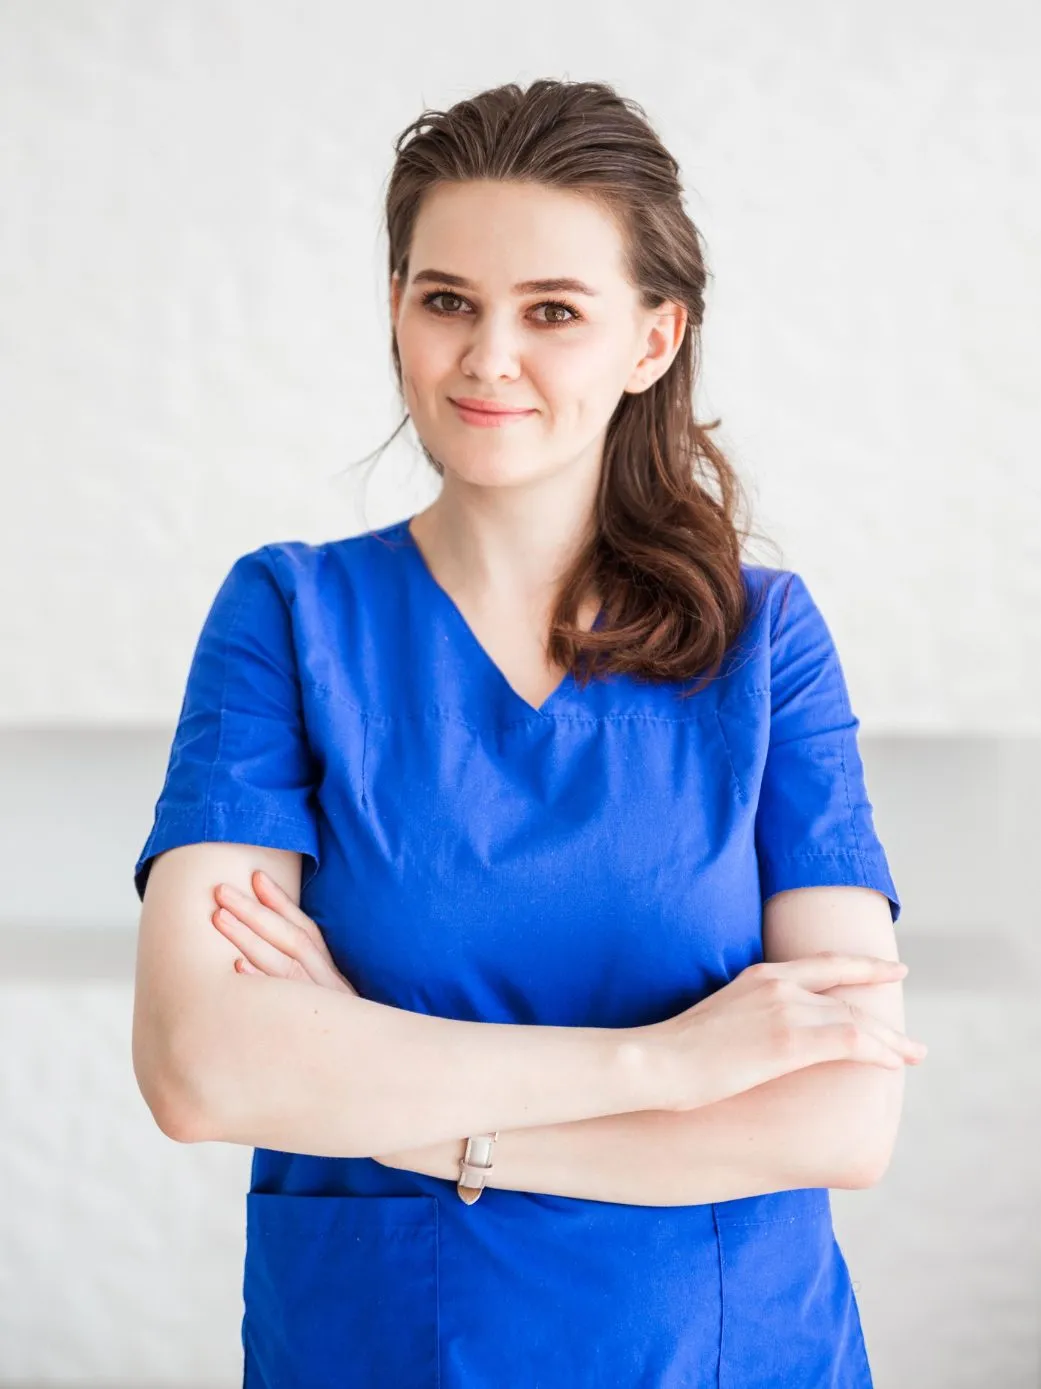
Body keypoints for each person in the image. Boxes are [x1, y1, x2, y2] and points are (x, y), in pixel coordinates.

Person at [131, 78, 925, 1388]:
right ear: (397, 311)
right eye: (447, 300)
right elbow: (201, 1066)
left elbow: (844, 1114)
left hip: (725, 1357)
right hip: (383, 1353)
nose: (489, 357)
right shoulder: (287, 615)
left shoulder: (765, 640)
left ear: (654, 340)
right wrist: (663, 1066)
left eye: (553, 311)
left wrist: (419, 1121)